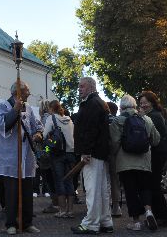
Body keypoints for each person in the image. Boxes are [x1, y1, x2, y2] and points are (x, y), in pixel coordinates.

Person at [0, 81, 42, 235]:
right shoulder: (3, 106)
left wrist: (38, 134)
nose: (29, 93)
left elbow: (36, 127)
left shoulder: (28, 108)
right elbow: (3, 127)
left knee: (27, 192)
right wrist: (14, 110)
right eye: (27, 91)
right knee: (12, 192)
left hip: (27, 157)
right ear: (18, 92)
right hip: (10, 158)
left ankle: (27, 223)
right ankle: (11, 224)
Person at [110, 95, 160, 231]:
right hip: (144, 161)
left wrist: (113, 156)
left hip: (125, 162)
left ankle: (136, 222)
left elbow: (114, 144)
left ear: (121, 107)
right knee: (145, 187)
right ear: (135, 106)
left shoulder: (117, 121)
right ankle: (149, 212)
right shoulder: (146, 119)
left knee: (130, 191)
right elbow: (156, 140)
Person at [71, 77, 113, 235]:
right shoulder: (99, 103)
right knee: (101, 189)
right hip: (99, 153)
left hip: (93, 153)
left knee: (92, 190)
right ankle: (105, 221)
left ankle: (91, 223)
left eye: (82, 86)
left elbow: (89, 130)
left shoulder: (91, 104)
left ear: (91, 87)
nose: (79, 89)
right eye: (79, 86)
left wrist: (86, 151)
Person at [138, 90, 167, 227]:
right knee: (154, 185)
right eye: (141, 103)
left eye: (145, 102)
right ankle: (160, 216)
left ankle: (162, 216)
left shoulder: (153, 116)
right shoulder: (155, 115)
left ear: (152, 102)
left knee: (154, 185)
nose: (143, 105)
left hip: (157, 154)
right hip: (159, 154)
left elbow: (155, 138)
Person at [43, 100, 76, 219]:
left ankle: (62, 210)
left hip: (58, 154)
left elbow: (45, 134)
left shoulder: (51, 119)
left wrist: (45, 149)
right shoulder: (69, 119)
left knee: (59, 180)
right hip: (70, 153)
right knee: (69, 181)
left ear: (51, 109)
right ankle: (70, 211)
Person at [105, 101, 121, 218]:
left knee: (107, 181)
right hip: (118, 154)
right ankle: (116, 207)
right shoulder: (117, 120)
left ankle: (109, 206)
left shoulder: (106, 119)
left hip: (107, 153)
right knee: (116, 181)